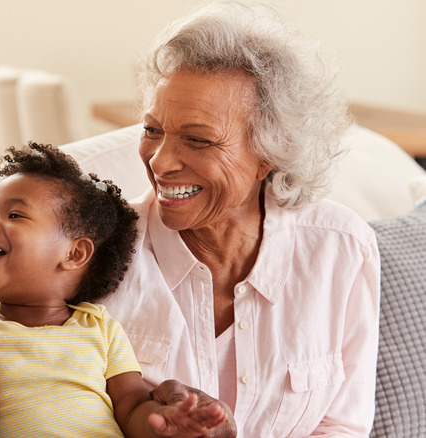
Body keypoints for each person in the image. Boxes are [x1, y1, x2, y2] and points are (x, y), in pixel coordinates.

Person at [100, 2, 381, 436]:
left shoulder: (340, 246)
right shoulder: (97, 252)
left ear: (271, 153)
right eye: (153, 130)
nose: (160, 161)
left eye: (197, 139)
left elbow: (341, 424)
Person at [0, 142, 231, 437]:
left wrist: (170, 424)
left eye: (14, 215)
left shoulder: (100, 326)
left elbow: (133, 409)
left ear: (74, 254)